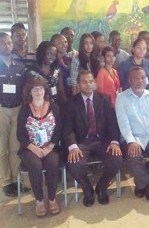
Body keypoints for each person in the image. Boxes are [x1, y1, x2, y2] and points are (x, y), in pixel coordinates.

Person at [63, 70, 122, 207]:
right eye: (84, 82)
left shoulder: (104, 99)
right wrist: (73, 147)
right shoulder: (71, 103)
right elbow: (67, 129)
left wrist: (114, 142)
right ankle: (87, 188)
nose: (88, 85)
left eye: (90, 81)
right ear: (78, 84)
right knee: (74, 164)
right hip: (82, 143)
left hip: (102, 141)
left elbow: (112, 123)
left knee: (116, 160)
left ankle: (101, 187)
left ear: (94, 83)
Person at [115, 66, 149, 202]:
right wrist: (131, 141)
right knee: (133, 157)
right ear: (129, 80)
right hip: (132, 137)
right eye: (136, 78)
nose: (140, 81)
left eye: (143, 77)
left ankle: (141, 183)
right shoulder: (121, 98)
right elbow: (123, 123)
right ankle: (148, 185)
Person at [0, 32, 28, 196]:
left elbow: (25, 90)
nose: (7, 45)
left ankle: (16, 180)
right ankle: (6, 182)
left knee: (15, 147)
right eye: (3, 43)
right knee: (1, 149)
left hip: (17, 109)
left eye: (9, 42)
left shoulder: (19, 64)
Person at [17, 77, 61, 217]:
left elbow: (59, 129)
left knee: (53, 163)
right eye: (34, 89)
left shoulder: (54, 107)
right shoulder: (24, 110)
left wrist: (49, 147)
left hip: (50, 147)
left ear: (45, 90)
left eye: (41, 88)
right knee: (35, 165)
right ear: (29, 92)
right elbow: (20, 135)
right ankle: (40, 201)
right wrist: (34, 148)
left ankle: (52, 199)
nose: (38, 91)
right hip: (30, 149)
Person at [50, 34, 72, 108]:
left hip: (71, 96)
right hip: (60, 101)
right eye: (59, 43)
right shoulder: (52, 63)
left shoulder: (69, 60)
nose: (64, 45)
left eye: (65, 42)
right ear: (53, 45)